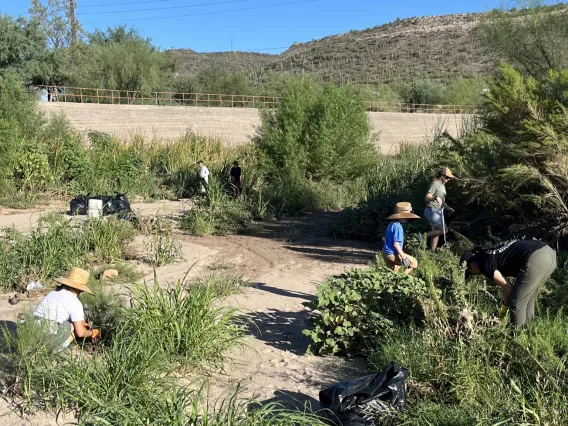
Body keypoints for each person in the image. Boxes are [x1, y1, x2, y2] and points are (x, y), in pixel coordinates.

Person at [461, 240, 557, 328]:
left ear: (473, 265)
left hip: (535, 257)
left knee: (516, 302)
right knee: (529, 297)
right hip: (549, 253)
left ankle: (517, 339)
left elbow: (508, 288)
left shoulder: (483, 264)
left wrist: (503, 311)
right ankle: (529, 331)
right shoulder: (488, 254)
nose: (473, 275)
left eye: (470, 272)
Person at [33, 267, 100, 348]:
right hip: (46, 337)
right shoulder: (75, 303)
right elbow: (80, 333)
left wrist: (82, 322)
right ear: (81, 289)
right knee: (72, 326)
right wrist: (93, 332)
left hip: (32, 330)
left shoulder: (53, 292)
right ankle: (59, 348)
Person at [382, 202, 420, 275]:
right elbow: (396, 244)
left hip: (385, 253)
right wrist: (404, 257)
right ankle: (402, 279)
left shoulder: (391, 224)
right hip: (392, 254)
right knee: (414, 262)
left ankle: (393, 283)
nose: (406, 218)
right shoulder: (398, 227)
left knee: (392, 273)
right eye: (405, 216)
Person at [424, 167, 455, 252]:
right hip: (432, 210)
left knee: (436, 233)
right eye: (447, 177)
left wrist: (448, 208)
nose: (448, 179)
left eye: (449, 178)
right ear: (441, 176)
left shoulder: (442, 185)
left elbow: (441, 199)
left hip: (437, 211)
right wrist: (435, 198)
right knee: (444, 230)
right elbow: (427, 197)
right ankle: (422, 236)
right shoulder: (435, 183)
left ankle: (432, 252)